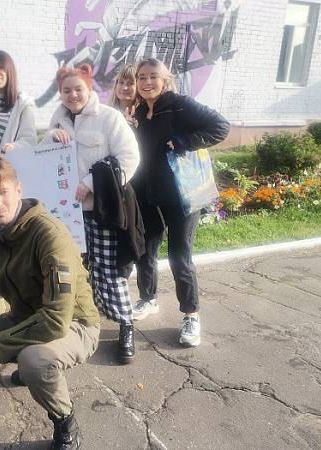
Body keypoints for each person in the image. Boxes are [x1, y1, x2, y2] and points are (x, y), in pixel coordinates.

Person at [0, 155, 100, 450]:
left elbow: (56, 320)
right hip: (25, 319)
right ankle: (24, 366)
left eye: (4, 192)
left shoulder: (49, 235)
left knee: (34, 360)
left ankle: (64, 420)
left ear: (19, 190)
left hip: (75, 324)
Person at [41, 64, 140, 364]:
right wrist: (51, 137)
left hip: (101, 210)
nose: (73, 95)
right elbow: (44, 157)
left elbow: (130, 157)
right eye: (66, 90)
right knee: (74, 269)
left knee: (109, 269)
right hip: (67, 213)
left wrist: (91, 183)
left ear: (89, 88)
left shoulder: (109, 118)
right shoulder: (58, 118)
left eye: (78, 89)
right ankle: (82, 322)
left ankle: (125, 324)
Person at [129, 58, 230, 346]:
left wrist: (185, 141)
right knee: (146, 251)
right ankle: (148, 299)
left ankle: (191, 315)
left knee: (179, 256)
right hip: (148, 195)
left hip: (182, 195)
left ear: (165, 80)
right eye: (141, 77)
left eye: (153, 76)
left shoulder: (180, 105)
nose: (147, 82)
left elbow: (220, 127)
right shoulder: (140, 111)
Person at [0, 50, 37, 153]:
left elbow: (29, 140)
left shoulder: (23, 104)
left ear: (9, 70)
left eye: (0, 67)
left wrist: (14, 147)